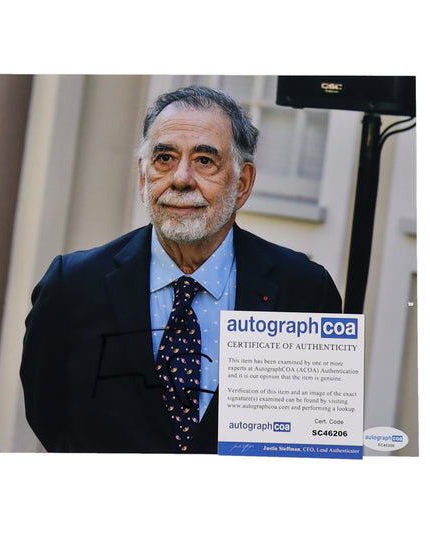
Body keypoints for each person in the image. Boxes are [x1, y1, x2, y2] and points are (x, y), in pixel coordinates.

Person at [20, 86, 342, 453]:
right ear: (143, 177)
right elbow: (48, 414)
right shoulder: (73, 286)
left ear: (242, 184)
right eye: (165, 158)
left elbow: (312, 437)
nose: (181, 178)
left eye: (204, 160)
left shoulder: (303, 291)